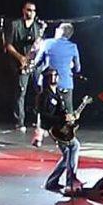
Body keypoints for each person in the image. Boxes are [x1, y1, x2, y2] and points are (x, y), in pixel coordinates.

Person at [27, 18, 84, 191]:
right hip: (66, 86)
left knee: (49, 114)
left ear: (60, 32)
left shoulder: (48, 43)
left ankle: (41, 133)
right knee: (66, 121)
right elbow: (78, 69)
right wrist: (71, 64)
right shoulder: (73, 47)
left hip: (50, 86)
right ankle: (68, 179)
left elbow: (36, 63)